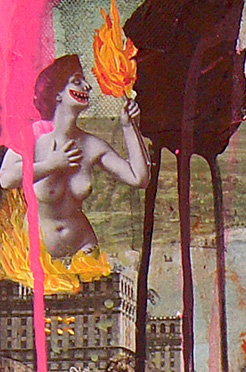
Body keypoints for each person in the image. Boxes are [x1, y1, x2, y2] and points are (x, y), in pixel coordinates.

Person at [0, 55, 149, 264]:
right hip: (38, 256)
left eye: (84, 82)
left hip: (84, 250)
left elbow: (139, 178)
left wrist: (128, 127)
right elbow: (6, 178)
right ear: (57, 94)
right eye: (77, 81)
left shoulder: (91, 144)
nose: (87, 87)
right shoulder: (33, 136)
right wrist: (52, 165)